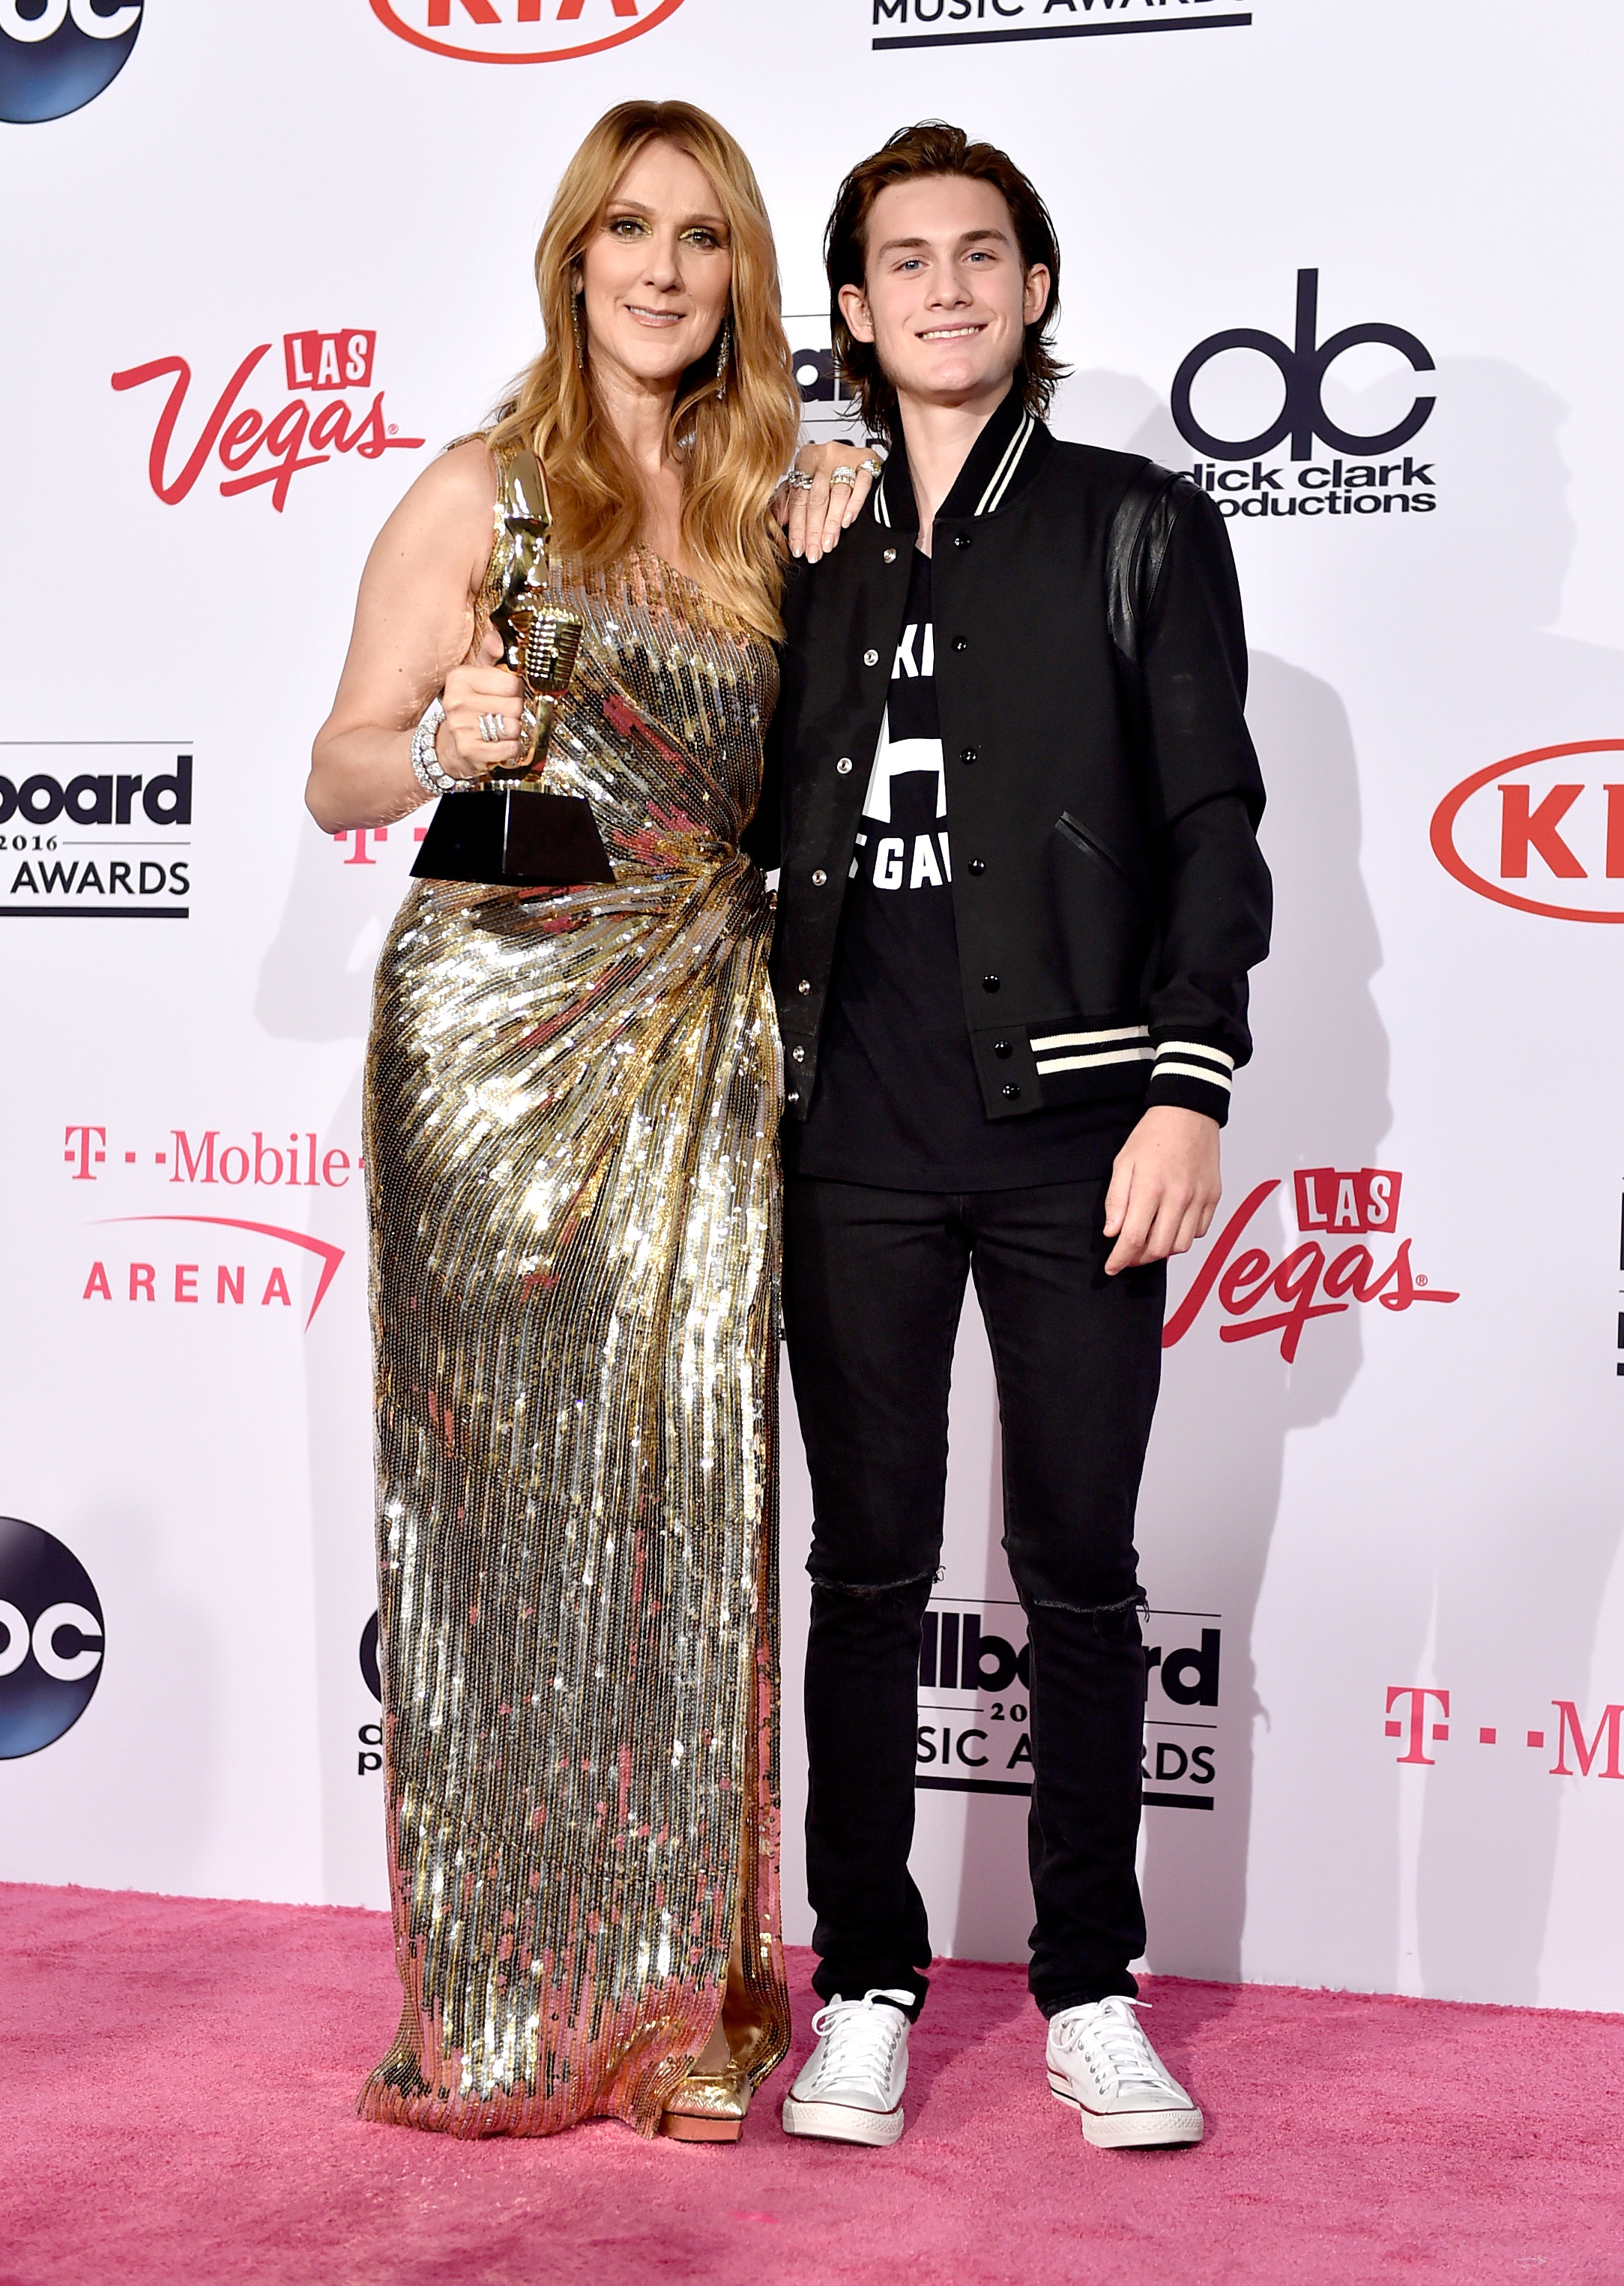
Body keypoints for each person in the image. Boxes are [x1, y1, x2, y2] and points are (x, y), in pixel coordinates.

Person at [765, 124, 1273, 2150]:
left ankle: (1088, 1984)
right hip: (847, 1143)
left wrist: (1187, 1081)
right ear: (856, 308)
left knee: (1077, 1568)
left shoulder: (1138, 522)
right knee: (870, 1567)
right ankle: (865, 1979)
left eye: (986, 256)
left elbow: (1212, 829)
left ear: (1037, 288)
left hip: (1080, 1139)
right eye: (907, 262)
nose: (949, 289)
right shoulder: (788, 535)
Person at [307, 100, 807, 2142]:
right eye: (631, 230)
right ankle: (503, 2005)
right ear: (573, 254)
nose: (666, 269)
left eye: (704, 235)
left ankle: (686, 2004)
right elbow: (335, 772)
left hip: (703, 1025)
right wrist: (437, 729)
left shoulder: (792, 503)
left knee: (696, 1493)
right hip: (494, 1034)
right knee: (499, 1525)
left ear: (742, 270)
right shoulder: (481, 491)